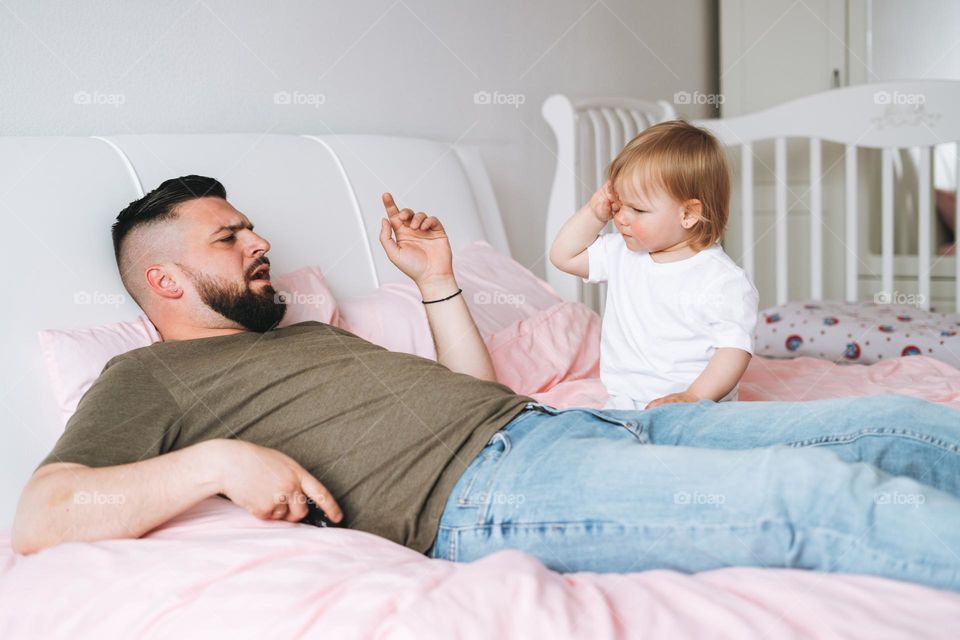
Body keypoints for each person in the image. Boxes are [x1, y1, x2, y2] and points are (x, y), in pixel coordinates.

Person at [11, 176, 960, 592]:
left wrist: (435, 282)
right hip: (491, 495)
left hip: (565, 429)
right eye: (231, 238)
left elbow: (472, 389)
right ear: (166, 281)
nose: (260, 243)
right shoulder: (150, 376)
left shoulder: (304, 336)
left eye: (252, 227)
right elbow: (42, 516)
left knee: (892, 424)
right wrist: (218, 461)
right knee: (813, 497)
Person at [550, 120, 759, 411]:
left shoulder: (722, 280)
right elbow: (563, 256)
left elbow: (734, 350)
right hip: (623, 403)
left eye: (637, 209)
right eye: (619, 204)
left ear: (688, 214)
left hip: (696, 407)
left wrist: (693, 397)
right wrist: (593, 213)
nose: (620, 217)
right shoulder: (620, 253)